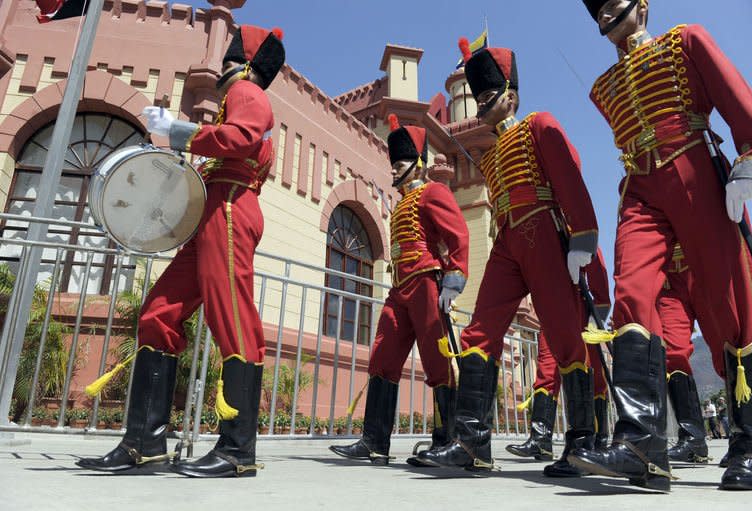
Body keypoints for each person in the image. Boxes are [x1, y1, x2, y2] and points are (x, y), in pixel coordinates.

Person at [573, 0, 752, 492]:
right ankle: (641, 445)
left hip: (693, 166)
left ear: (641, 6)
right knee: (632, 293)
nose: (608, 23)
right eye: (600, 18)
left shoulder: (685, 40)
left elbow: (733, 95)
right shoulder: (608, 86)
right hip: (638, 185)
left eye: (615, 9)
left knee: (729, 303)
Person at [76, 25, 285, 478]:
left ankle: (237, 450)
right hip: (210, 213)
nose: (222, 68)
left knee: (232, 318)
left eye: (228, 59)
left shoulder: (246, 91)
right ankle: (144, 444)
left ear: (243, 64)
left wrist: (181, 132)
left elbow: (243, 139)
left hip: (229, 208)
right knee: (158, 313)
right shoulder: (236, 100)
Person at [416, 38, 600, 471]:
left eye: (488, 96)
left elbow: (569, 177)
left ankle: (581, 442)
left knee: (562, 332)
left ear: (510, 96)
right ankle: (472, 443)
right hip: (506, 239)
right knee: (480, 331)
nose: (481, 104)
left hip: (540, 227)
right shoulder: (494, 153)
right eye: (476, 98)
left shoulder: (539, 125)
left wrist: (583, 238)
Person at [329, 115, 470, 465]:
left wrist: (454, 277)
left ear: (419, 164)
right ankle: (374, 441)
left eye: (402, 163)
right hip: (399, 288)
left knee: (439, 361)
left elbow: (458, 235)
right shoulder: (402, 202)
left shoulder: (433, 191)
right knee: (382, 358)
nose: (395, 170)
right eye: (393, 164)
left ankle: (446, 441)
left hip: (426, 282)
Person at [506, 250, 612, 477]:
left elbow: (596, 264)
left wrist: (601, 306)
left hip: (580, 307)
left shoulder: (572, 224)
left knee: (592, 372)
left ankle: (598, 438)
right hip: (550, 306)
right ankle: (540, 437)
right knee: (545, 368)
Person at [660, 245, 709, 463]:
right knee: (673, 353)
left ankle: (747, 438)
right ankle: (693, 438)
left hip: (705, 264)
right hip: (668, 279)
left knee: (727, 343)